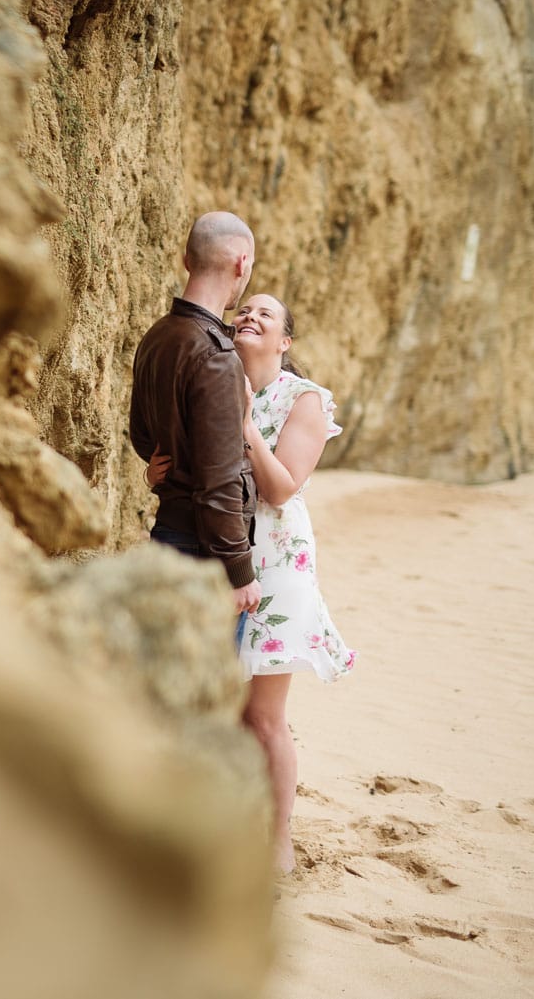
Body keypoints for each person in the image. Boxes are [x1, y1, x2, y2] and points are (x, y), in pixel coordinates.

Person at [148, 292, 357, 875]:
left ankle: (279, 838)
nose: (250, 317)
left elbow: (282, 487)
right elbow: (189, 464)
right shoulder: (214, 376)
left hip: (276, 562)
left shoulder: (305, 400)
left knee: (262, 716)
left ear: (284, 342)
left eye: (267, 315)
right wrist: (154, 470)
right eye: (246, 310)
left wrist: (243, 424)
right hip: (215, 553)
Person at [129, 211, 262, 625]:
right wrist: (239, 573)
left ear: (187, 260)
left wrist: (161, 469)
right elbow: (219, 483)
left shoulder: (158, 335)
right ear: (242, 263)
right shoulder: (217, 357)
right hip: (204, 557)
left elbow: (140, 436)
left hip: (166, 539)